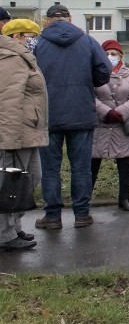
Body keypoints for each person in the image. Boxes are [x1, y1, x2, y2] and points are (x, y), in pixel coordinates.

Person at [33, 4, 112, 230]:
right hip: (81, 113)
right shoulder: (87, 41)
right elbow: (105, 70)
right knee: (81, 167)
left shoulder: (38, 44)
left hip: (49, 115)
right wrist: (90, 83)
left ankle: (53, 216)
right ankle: (82, 214)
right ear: (69, 19)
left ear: (48, 20)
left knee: (50, 168)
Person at [0, 19, 47, 252]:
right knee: (11, 185)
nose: (33, 40)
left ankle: (15, 227)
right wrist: (9, 140)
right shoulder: (10, 57)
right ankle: (5, 234)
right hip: (16, 135)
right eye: (30, 35)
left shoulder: (22, 57)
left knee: (29, 180)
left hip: (29, 130)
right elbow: (8, 100)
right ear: (17, 36)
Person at [91, 40, 129, 212]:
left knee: (125, 163)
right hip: (100, 124)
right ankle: (84, 199)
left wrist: (120, 112)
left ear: (120, 55)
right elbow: (90, 96)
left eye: (114, 53)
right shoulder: (94, 72)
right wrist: (105, 112)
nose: (110, 57)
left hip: (122, 124)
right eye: (107, 53)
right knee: (92, 163)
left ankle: (125, 198)